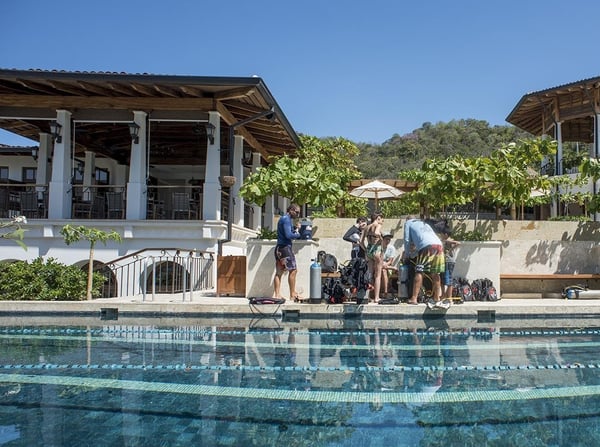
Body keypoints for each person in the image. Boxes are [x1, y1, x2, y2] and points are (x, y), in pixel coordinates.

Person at [402, 217, 445, 307]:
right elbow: (422, 239)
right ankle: (437, 298)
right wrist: (414, 253)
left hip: (426, 247)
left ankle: (414, 298)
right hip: (439, 245)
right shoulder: (424, 224)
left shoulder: (408, 223)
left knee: (419, 271)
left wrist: (407, 254)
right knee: (435, 272)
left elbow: (407, 240)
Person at [273, 204, 302, 301]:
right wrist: (298, 234)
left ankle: (277, 294)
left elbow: (287, 232)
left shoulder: (285, 219)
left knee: (279, 272)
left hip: (279, 248)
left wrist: (295, 229)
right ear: (291, 210)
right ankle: (292, 294)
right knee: (293, 270)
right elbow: (288, 235)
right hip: (285, 248)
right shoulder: (286, 219)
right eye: (297, 212)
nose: (297, 215)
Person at [359, 212, 384, 303]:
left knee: (369, 274)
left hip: (369, 251)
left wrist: (366, 249)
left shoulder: (367, 227)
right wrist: (380, 238)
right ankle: (377, 297)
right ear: (377, 218)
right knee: (377, 276)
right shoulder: (378, 225)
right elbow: (377, 232)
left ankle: (368, 297)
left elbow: (360, 242)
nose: (382, 221)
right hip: (377, 250)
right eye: (381, 218)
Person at [440, 226, 460, 299]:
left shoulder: (449, 240)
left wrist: (451, 249)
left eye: (441, 234)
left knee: (449, 279)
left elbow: (458, 243)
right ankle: (443, 295)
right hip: (444, 261)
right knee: (442, 278)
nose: (440, 235)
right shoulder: (443, 241)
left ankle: (449, 296)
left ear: (445, 234)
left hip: (449, 261)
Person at [381, 233, 397, 298]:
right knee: (383, 270)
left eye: (389, 239)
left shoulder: (392, 248)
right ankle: (385, 291)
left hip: (387, 266)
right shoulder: (379, 247)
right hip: (379, 265)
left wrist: (385, 265)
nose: (388, 241)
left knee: (384, 270)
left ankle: (385, 291)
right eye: (386, 239)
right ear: (382, 239)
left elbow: (390, 261)